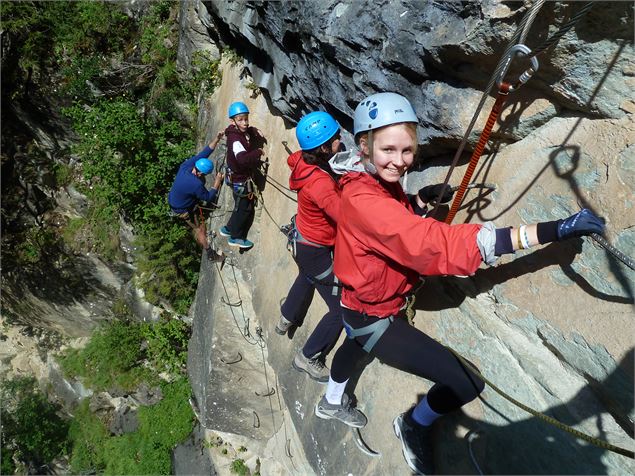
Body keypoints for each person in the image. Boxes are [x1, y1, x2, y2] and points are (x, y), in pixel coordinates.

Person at [314, 92, 605, 474]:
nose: (399, 162)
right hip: (375, 314)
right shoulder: (363, 199)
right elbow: (428, 244)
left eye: (407, 151)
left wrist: (417, 203)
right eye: (388, 150)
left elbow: (388, 220)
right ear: (364, 144)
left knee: (353, 341)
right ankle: (412, 423)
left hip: (359, 305)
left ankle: (331, 399)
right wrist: (551, 230)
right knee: (467, 382)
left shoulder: (364, 176)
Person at [275, 111, 344, 383]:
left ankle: (286, 318)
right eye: (335, 139)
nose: (341, 139)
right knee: (341, 310)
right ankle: (308, 357)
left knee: (307, 276)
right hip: (316, 250)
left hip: (303, 240)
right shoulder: (321, 184)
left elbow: (293, 157)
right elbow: (347, 218)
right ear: (323, 148)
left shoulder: (303, 161)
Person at [168, 132, 224, 261]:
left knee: (196, 208)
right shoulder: (196, 184)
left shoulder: (186, 167)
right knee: (200, 229)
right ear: (200, 174)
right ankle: (210, 254)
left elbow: (204, 153)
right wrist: (217, 182)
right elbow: (209, 197)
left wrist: (217, 138)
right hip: (183, 210)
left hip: (176, 201)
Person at [219, 101, 265, 249]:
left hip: (235, 178)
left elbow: (245, 131)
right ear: (233, 121)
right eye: (241, 120)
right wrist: (258, 152)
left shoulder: (235, 132)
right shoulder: (235, 139)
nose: (245, 122)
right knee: (245, 209)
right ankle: (236, 237)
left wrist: (253, 130)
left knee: (239, 205)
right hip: (240, 180)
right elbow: (243, 159)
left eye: (246, 118)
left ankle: (228, 228)